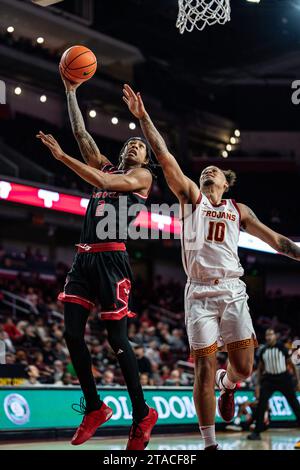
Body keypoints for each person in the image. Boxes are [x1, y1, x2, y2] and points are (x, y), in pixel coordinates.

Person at [122, 83, 300, 450]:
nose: (208, 170)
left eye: (215, 170)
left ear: (226, 182)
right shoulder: (190, 198)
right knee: (202, 367)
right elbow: (165, 155)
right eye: (205, 169)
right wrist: (144, 119)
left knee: (245, 368)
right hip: (199, 292)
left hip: (233, 290)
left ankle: (228, 385)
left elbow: (279, 243)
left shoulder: (239, 210)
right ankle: (210, 445)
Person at [36, 76, 158, 450]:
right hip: (83, 259)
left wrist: (60, 159)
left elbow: (90, 173)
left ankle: (142, 415)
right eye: (131, 142)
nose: (135, 146)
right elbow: (80, 132)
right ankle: (94, 407)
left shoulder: (141, 178)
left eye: (140, 145)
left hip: (112, 262)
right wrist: (71, 91)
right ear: (122, 152)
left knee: (117, 341)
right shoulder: (108, 168)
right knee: (72, 334)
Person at [247, 329, 300, 442]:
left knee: (294, 403)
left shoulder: (281, 347)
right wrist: (258, 384)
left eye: (271, 334)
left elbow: (291, 363)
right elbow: (261, 368)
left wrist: (297, 380)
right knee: (261, 404)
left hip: (283, 378)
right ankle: (257, 432)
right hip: (269, 380)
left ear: (275, 336)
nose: (269, 337)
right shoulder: (263, 350)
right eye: (267, 335)